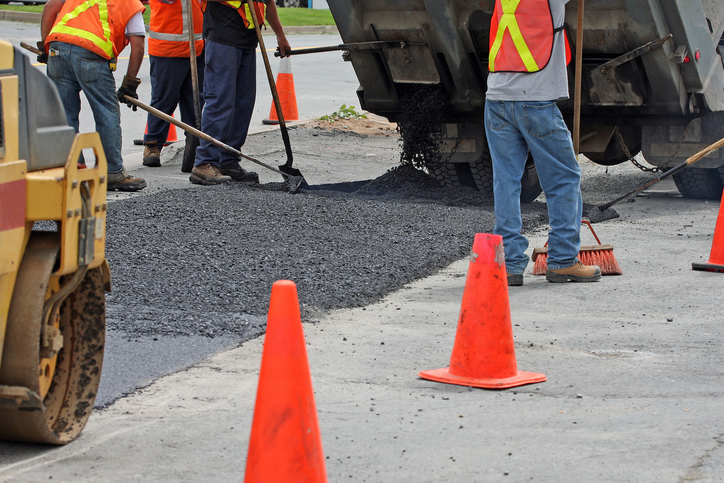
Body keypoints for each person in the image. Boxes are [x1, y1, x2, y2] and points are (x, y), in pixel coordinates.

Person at [484, 0, 601, 285]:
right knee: (563, 178)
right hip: (535, 101)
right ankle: (562, 261)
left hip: (497, 100)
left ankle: (509, 265)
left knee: (506, 182)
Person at [40, 0, 147, 191]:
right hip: (90, 55)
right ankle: (112, 172)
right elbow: (137, 45)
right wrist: (129, 84)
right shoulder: (130, 3)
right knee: (106, 114)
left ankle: (74, 171)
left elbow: (49, 8)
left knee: (65, 116)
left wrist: (45, 49)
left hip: (58, 48)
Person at [189, 0, 291, 185]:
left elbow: (267, 3)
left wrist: (280, 35)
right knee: (221, 100)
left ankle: (228, 159)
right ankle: (205, 162)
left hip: (247, 40)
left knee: (243, 103)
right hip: (222, 36)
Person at [143, 0, 205, 168]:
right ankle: (152, 144)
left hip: (197, 47)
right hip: (167, 48)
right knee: (163, 99)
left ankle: (194, 143)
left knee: (195, 102)